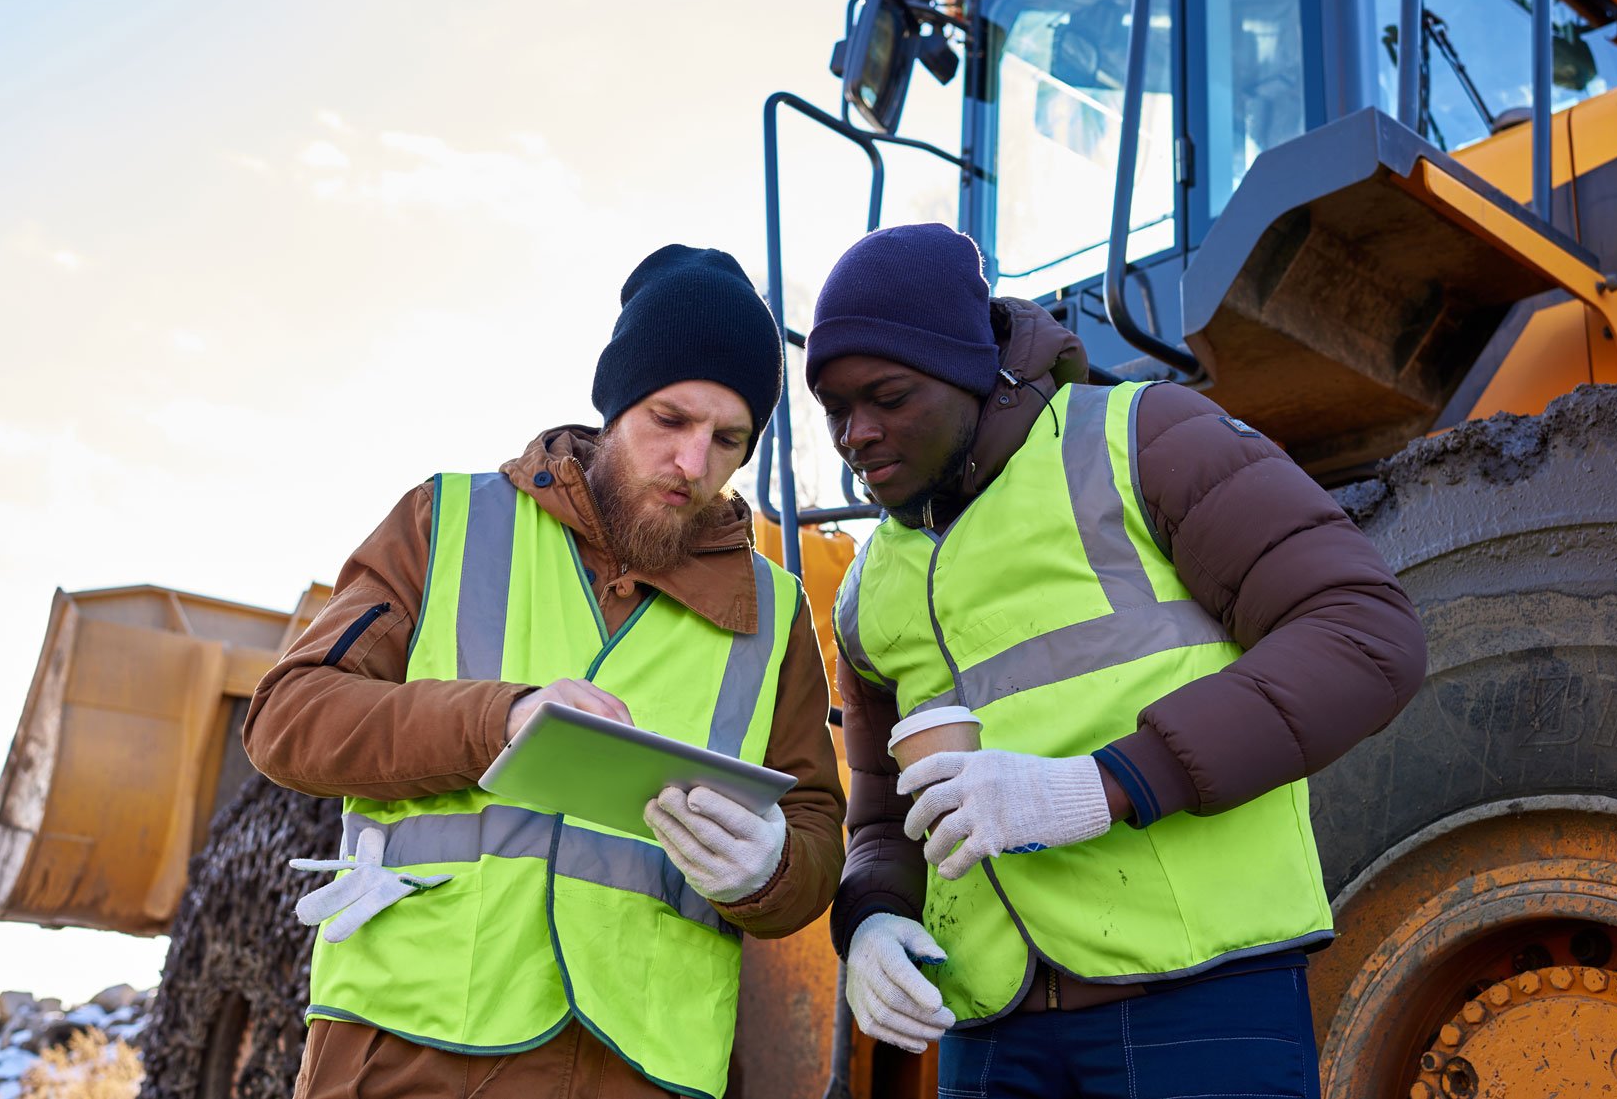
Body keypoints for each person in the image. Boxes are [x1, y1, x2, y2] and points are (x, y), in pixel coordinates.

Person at [805, 223, 1427, 1098]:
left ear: (972, 368)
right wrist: (868, 919)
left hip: (1199, 1007)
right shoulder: (865, 591)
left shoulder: (1144, 438)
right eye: (834, 409)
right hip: (990, 1042)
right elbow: (880, 819)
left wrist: (1098, 785)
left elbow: (1365, 634)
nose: (856, 433)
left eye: (888, 395)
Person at [245, 244, 844, 1099]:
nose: (693, 462)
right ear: (615, 405)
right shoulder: (446, 520)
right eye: (669, 420)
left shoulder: (778, 615)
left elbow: (816, 830)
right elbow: (288, 717)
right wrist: (502, 718)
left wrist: (773, 872)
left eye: (728, 440)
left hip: (637, 1070)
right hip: (409, 1049)